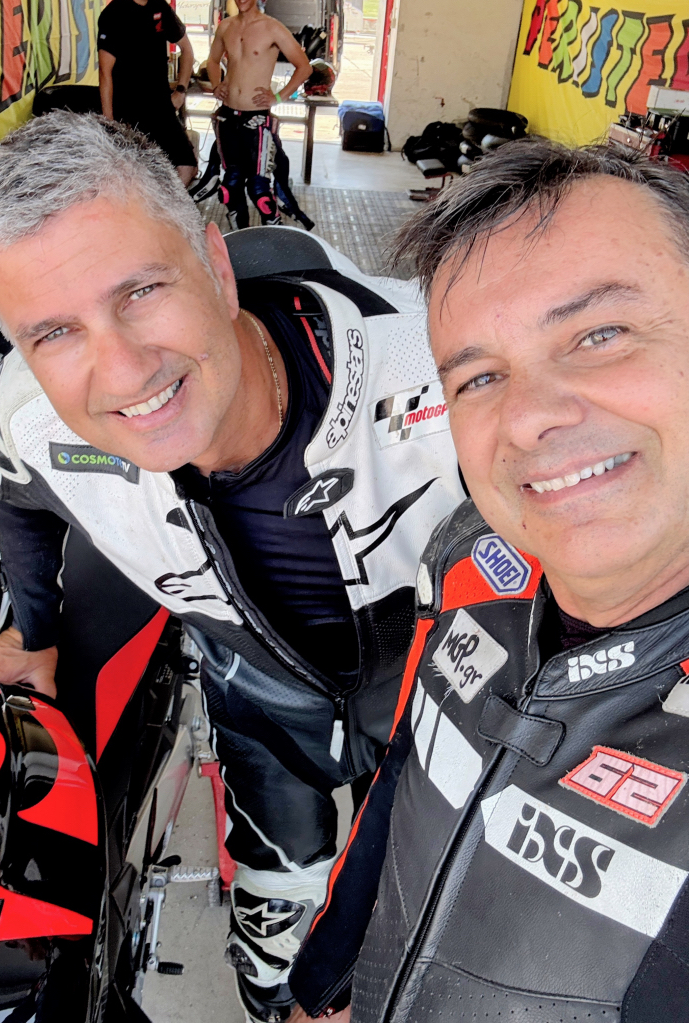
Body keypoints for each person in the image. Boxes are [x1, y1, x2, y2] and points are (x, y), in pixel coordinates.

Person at [0, 111, 464, 1023]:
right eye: (55, 332)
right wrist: (27, 628)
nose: (122, 370)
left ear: (217, 269)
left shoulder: (437, 354)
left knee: (440, 943)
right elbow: (8, 482)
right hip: (258, 697)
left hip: (445, 690)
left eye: (142, 290)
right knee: (276, 948)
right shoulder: (24, 409)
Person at [289, 139, 689, 1023]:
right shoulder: (468, 554)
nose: (529, 416)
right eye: (478, 376)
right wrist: (322, 987)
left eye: (600, 334)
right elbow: (407, 770)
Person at [205, 0, 312, 228]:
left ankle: (274, 241)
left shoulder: (272, 28)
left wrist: (278, 97)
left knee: (259, 190)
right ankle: (241, 240)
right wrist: (217, 84)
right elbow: (212, 60)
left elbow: (304, 67)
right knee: (230, 187)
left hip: (257, 119)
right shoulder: (226, 26)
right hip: (228, 116)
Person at [98, 0, 197, 185]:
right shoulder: (114, 13)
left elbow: (187, 50)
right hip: (129, 111)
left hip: (161, 107)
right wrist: (109, 124)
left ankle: (166, 205)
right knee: (136, 177)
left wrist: (180, 91)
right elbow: (105, 74)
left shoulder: (160, 7)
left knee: (187, 166)